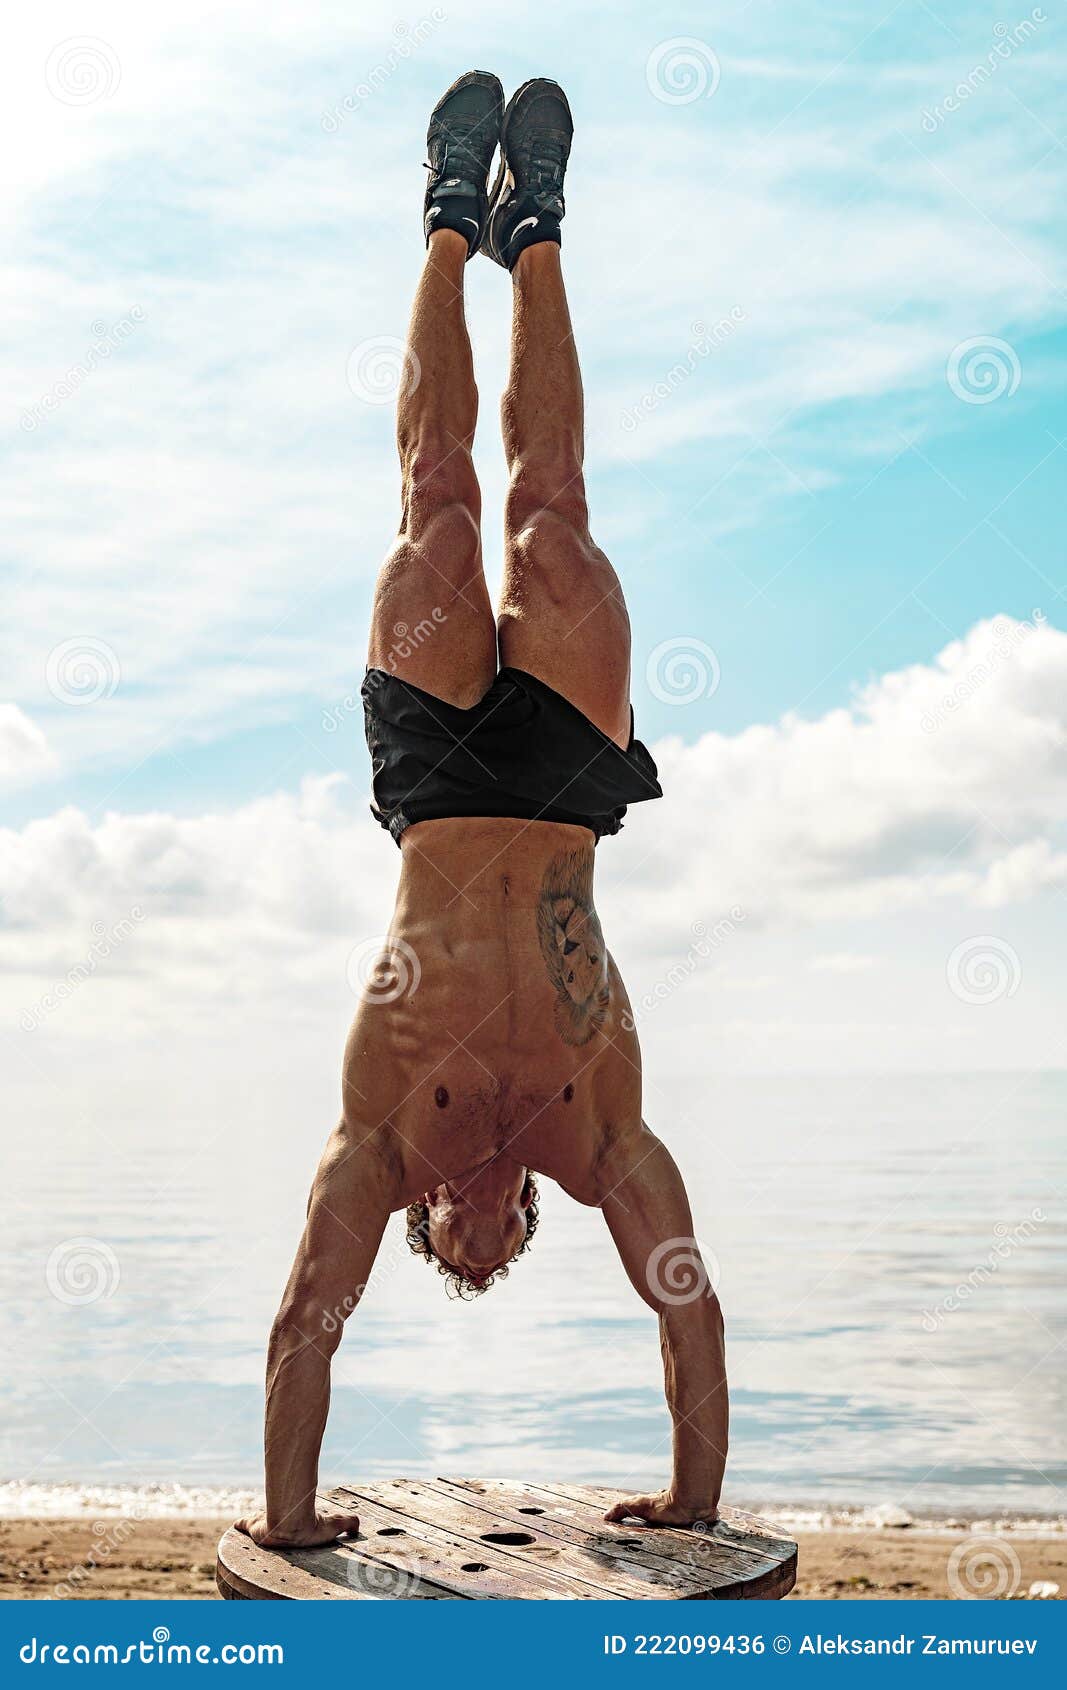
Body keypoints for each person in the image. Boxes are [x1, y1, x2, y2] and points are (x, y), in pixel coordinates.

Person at [237, 71, 727, 1550]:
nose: (485, 1220)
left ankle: (451, 221)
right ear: (525, 1222)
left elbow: (301, 1323)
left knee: (438, 504)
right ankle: (543, 230)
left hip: (440, 790)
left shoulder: (377, 1140)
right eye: (501, 1235)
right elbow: (693, 1313)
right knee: (552, 515)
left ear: (426, 1224)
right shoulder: (598, 1133)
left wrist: (288, 1518)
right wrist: (693, 1500)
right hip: (573, 793)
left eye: (464, 1236)